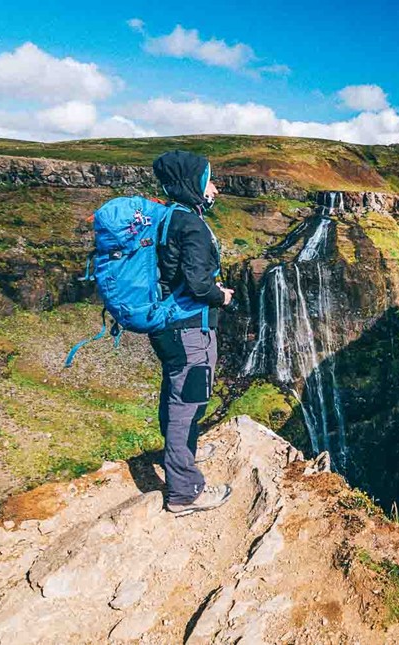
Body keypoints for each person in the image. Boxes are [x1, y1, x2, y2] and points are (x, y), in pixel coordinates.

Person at [149, 150, 234, 516]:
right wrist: (222, 296)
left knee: (176, 394)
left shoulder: (169, 217)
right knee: (189, 399)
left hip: (167, 328)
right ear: (194, 184)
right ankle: (185, 491)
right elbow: (199, 285)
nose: (215, 188)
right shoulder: (193, 226)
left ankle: (183, 452)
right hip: (189, 331)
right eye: (210, 180)